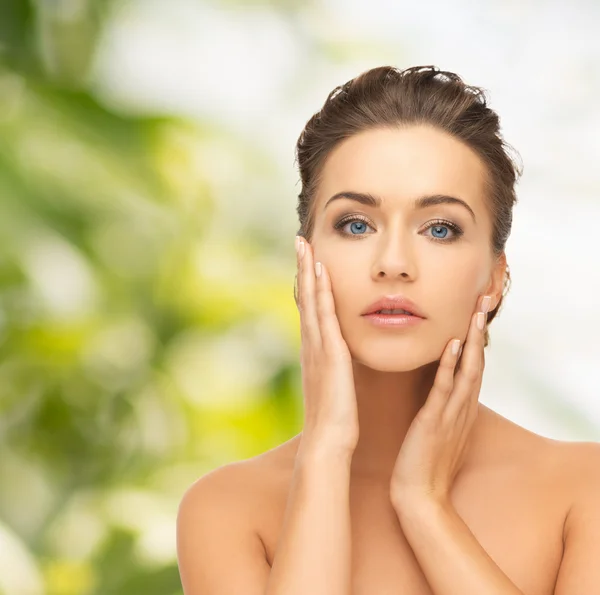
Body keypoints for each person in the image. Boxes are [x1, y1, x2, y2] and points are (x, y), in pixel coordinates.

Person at [176, 65, 600, 595]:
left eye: (439, 228)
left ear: (495, 276)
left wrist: (424, 505)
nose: (393, 263)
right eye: (356, 225)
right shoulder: (226, 509)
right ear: (305, 258)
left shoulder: (585, 490)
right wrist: (326, 452)